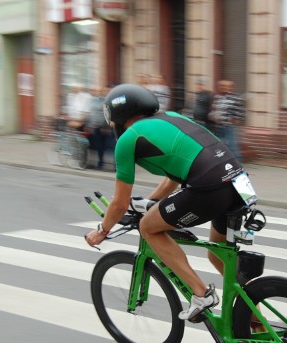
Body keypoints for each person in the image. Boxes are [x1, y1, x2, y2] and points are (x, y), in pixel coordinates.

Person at [85, 84, 256, 321]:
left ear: (117, 117)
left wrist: (102, 230)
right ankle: (256, 318)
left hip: (209, 187)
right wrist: (151, 202)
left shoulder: (128, 139)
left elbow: (119, 204)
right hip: (239, 183)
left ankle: (201, 294)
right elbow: (174, 176)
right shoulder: (172, 117)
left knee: (148, 228)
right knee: (218, 256)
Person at [212, 80, 245, 161]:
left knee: (232, 147)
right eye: (221, 85)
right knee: (220, 147)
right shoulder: (217, 97)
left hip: (229, 127)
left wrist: (233, 122)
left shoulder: (235, 97)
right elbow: (214, 110)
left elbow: (240, 112)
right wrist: (214, 116)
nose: (223, 87)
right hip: (218, 127)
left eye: (226, 86)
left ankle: (238, 166)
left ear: (231, 87)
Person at [86, 85, 114, 170]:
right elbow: (93, 114)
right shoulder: (97, 100)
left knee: (113, 147)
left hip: (108, 128)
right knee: (99, 146)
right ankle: (100, 163)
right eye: (103, 91)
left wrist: (106, 127)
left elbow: (108, 115)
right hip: (97, 127)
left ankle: (116, 166)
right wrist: (89, 125)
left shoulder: (110, 101)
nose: (104, 92)